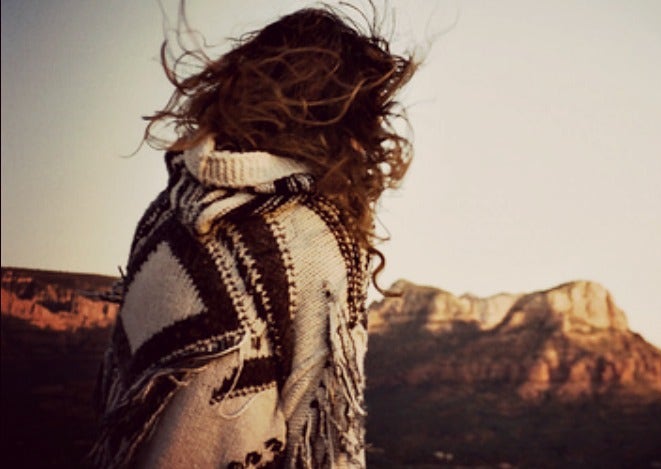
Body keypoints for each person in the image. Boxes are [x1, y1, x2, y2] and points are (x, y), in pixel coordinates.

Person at [90, 5, 417, 468]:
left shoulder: (162, 218)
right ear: (343, 119)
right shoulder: (312, 240)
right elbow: (325, 445)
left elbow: (113, 399)